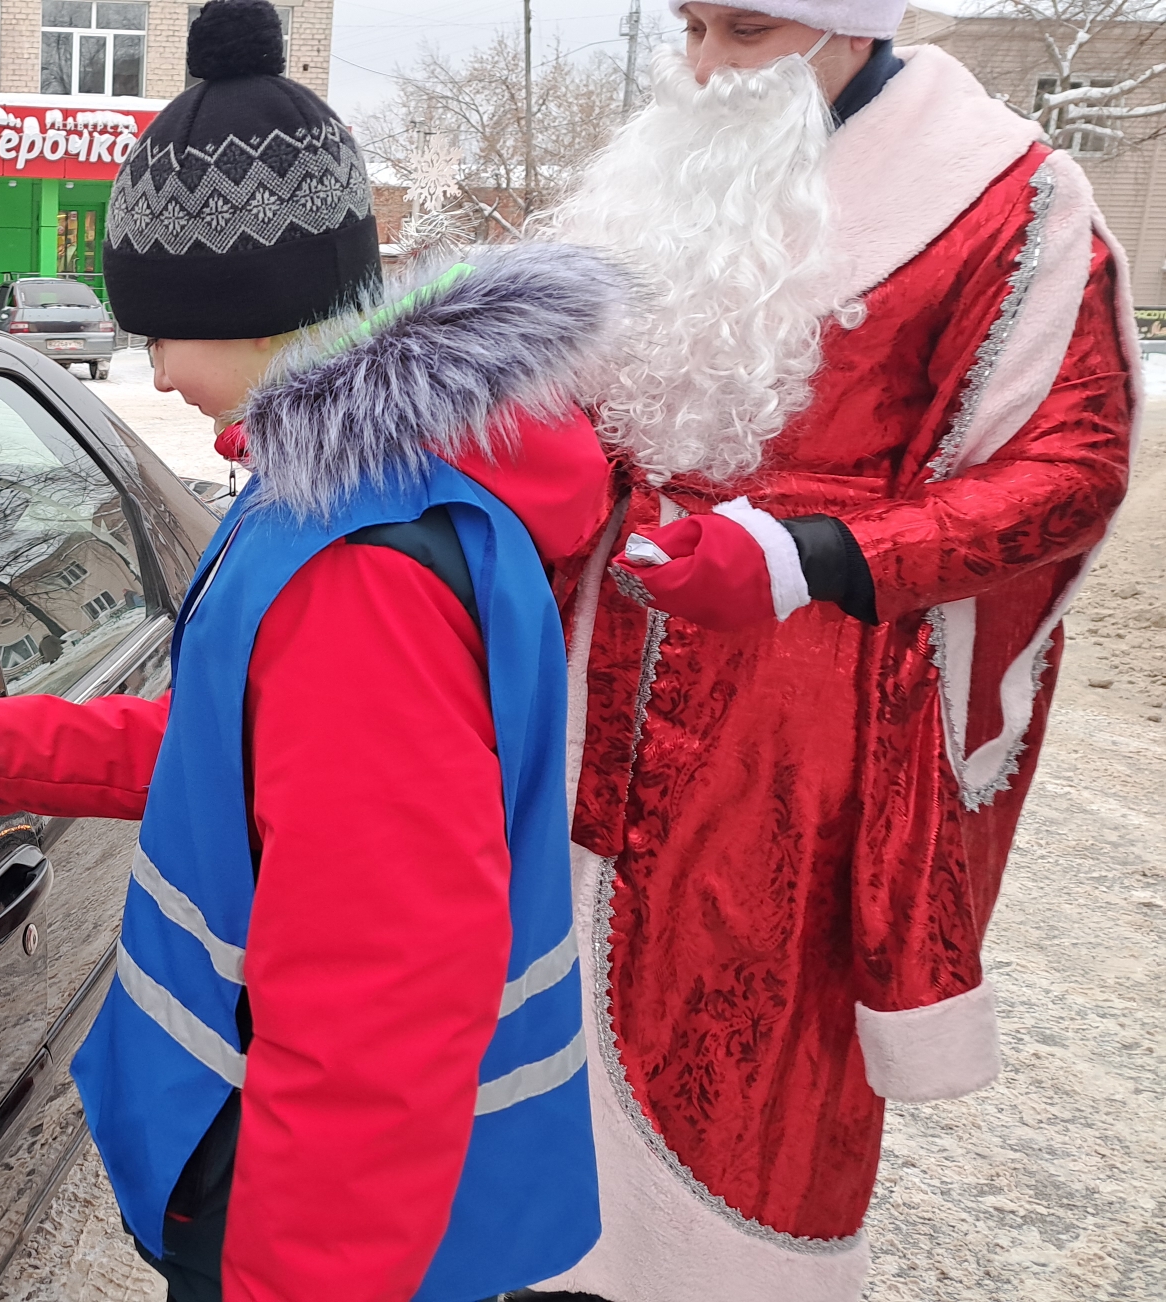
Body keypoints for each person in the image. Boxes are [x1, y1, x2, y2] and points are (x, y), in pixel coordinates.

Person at [0, 3, 622, 1296]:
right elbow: (234, 756)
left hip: (311, 1218)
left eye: (157, 328)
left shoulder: (362, 572)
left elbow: (379, 1011)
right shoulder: (333, 500)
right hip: (277, 1160)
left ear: (246, 310)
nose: (152, 363)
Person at [533, 5, 1137, 1299]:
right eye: (691, 23)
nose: (700, 65)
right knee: (542, 1034)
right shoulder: (665, 159)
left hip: (800, 750)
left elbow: (1073, 464)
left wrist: (819, 557)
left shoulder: (1007, 199)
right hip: (587, 693)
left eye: (740, 29)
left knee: (750, 1071)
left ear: (848, 27)